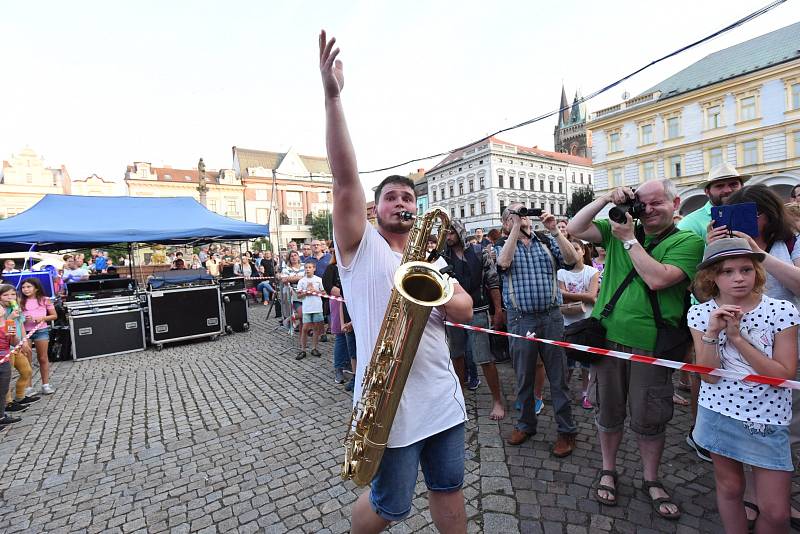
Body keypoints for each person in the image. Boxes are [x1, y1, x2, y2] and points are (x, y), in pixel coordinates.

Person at [321, 30, 474, 533]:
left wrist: (446, 295)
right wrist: (333, 97)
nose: (403, 203)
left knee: (450, 488)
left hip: (441, 396)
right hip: (390, 402)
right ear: (375, 208)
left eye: (410, 198)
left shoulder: (430, 258)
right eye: (393, 198)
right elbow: (344, 178)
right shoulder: (359, 250)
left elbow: (467, 311)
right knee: (390, 507)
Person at [567, 178, 704, 518]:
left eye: (659, 202)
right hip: (607, 340)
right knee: (607, 411)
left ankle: (651, 479)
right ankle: (608, 469)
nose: (651, 209)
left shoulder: (687, 240)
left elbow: (658, 278)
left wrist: (629, 240)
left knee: (650, 417)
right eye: (644, 203)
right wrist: (604, 200)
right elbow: (575, 227)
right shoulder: (621, 229)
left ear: (676, 203)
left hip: (652, 346)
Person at [688, 237, 798, 533]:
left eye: (746, 269)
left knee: (776, 512)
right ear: (712, 276)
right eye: (727, 271)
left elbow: (782, 374)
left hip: (767, 418)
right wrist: (713, 331)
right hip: (719, 413)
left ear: (757, 272)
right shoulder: (700, 314)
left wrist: (738, 339)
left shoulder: (781, 311)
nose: (738, 278)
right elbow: (709, 375)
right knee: (730, 488)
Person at [708, 183, 800, 528]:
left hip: (785, 352)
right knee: (738, 422)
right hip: (734, 356)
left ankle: (774, 496)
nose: (748, 221)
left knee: (785, 428)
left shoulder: (788, 242)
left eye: (754, 213)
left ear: (769, 213)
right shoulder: (725, 247)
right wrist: (713, 246)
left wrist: (757, 255)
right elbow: (706, 290)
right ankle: (748, 494)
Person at [496, 202, 581, 454]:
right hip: (521, 319)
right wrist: (513, 230)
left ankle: (566, 431)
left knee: (558, 377)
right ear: (506, 222)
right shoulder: (502, 244)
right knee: (523, 376)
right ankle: (526, 424)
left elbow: (572, 260)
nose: (522, 216)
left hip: (551, 317)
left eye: (524, 212)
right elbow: (503, 264)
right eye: (514, 213)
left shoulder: (545, 240)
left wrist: (555, 230)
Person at [678, 162, 748, 461]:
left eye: (733, 183)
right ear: (708, 191)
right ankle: (702, 433)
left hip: (755, 307)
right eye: (720, 185)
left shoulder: (755, 213)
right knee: (706, 374)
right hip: (709, 310)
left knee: (751, 372)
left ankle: (751, 430)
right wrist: (709, 247)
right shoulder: (692, 223)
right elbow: (686, 274)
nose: (728, 190)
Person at [443, 219, 506, 420]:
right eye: (446, 233)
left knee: (484, 357)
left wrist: (498, 310)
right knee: (457, 355)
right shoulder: (443, 257)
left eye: (451, 232)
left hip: (478, 310)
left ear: (460, 232)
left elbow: (493, 281)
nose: (448, 236)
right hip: (453, 313)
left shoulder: (480, 252)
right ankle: (459, 397)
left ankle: (497, 401)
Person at [557, 238, 599, 410]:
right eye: (569, 249)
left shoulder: (591, 271)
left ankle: (586, 394)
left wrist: (567, 293)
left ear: (583, 250)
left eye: (576, 248)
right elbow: (562, 296)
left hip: (586, 322)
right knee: (567, 363)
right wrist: (584, 296)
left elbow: (592, 296)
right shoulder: (561, 272)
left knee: (586, 364)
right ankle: (563, 394)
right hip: (567, 322)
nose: (573, 252)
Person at [1, 285, 37, 413]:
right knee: (6, 377)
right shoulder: (2, 312)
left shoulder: (15, 308)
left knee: (26, 371)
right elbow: (7, 332)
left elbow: (21, 324)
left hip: (17, 345)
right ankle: (8, 403)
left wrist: (24, 341)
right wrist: (10, 318)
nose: (9, 297)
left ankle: (20, 396)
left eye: (12, 294)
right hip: (6, 349)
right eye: (5, 295)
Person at [322, 251, 356, 384]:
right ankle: (339, 367)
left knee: (351, 337)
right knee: (341, 335)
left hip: (352, 301)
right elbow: (328, 286)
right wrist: (343, 292)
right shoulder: (332, 268)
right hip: (339, 303)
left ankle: (349, 364)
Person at [19, 278, 57, 395]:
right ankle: (28, 387)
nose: (26, 289)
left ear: (36, 288)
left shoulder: (45, 300)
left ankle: (45, 384)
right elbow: (16, 318)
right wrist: (23, 319)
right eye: (24, 287)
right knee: (26, 360)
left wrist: (42, 318)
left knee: (43, 358)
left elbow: (54, 316)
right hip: (25, 332)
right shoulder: (19, 301)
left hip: (41, 331)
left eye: (29, 287)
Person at [296, 262, 324, 360]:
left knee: (316, 328)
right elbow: (298, 295)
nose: (308, 269)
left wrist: (315, 292)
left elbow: (324, 292)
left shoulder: (319, 280)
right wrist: (306, 293)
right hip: (307, 308)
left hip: (317, 307)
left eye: (310, 267)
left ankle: (314, 348)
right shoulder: (302, 281)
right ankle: (303, 349)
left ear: (314, 268)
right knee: (305, 328)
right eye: (306, 267)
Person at [279, 251, 305, 332]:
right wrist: (301, 277)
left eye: (295, 255)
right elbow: (284, 279)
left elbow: (309, 276)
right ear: (289, 258)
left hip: (305, 292)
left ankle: (304, 332)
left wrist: (292, 278)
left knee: (304, 315)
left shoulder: (304, 266)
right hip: (293, 294)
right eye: (291, 256)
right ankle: (289, 319)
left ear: (298, 256)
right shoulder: (286, 268)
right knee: (301, 313)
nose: (294, 257)